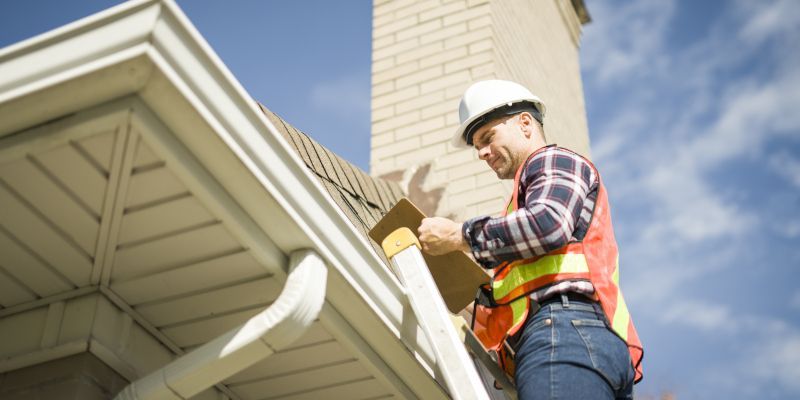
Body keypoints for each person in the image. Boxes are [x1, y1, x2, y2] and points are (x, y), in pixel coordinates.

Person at [417, 80, 643, 399]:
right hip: (588, 344)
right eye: (476, 145)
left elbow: (549, 224)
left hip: (564, 335)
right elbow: (527, 288)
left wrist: (458, 235)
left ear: (525, 123)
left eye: (487, 137)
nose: (481, 153)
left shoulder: (550, 161)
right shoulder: (518, 208)